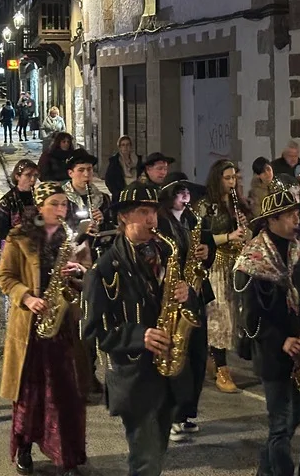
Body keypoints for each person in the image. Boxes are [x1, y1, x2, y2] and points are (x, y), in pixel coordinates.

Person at [83, 181, 193, 475]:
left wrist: (187, 293)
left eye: (154, 211)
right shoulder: (105, 269)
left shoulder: (164, 252)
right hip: (134, 377)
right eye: (143, 212)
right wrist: (138, 336)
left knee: (157, 453)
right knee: (145, 460)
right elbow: (93, 330)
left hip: (167, 373)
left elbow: (181, 301)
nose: (151, 219)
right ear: (123, 216)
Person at [0, 181, 89, 475]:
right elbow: (4, 277)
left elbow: (87, 273)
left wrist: (80, 272)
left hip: (62, 326)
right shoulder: (19, 236)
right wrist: (26, 297)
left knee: (65, 395)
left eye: (64, 204)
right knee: (30, 393)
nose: (61, 210)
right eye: (54, 204)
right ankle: (24, 447)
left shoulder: (71, 238)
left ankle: (66, 455)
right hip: (30, 329)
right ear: (39, 207)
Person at [234, 186, 300, 476]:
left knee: (296, 415)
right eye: (290, 215)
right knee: (280, 424)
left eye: (297, 213)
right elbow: (250, 318)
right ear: (272, 220)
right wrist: (282, 340)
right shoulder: (251, 261)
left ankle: (265, 469)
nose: (297, 219)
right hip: (272, 352)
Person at [157, 172, 215, 441]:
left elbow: (208, 249)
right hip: (174, 296)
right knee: (179, 357)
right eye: (180, 191)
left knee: (198, 354)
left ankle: (188, 412)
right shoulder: (160, 223)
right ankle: (173, 416)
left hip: (196, 293)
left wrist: (207, 252)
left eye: (188, 192)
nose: (186, 196)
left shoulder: (193, 220)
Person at [196, 159, 250, 393]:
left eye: (234, 178)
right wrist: (229, 236)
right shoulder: (206, 205)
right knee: (219, 316)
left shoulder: (236, 203)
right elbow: (202, 237)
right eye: (227, 178)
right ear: (217, 179)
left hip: (234, 264)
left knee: (234, 315)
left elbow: (246, 233)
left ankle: (214, 359)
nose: (232, 182)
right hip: (215, 265)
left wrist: (245, 230)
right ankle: (221, 369)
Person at [0, 160, 38, 320]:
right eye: (28, 175)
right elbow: (3, 234)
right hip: (16, 253)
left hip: (37, 251)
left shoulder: (39, 198)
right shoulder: (7, 202)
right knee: (17, 294)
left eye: (35, 176)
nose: (32, 180)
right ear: (17, 176)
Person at [104, 134, 138, 199]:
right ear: (119, 147)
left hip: (136, 194)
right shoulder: (115, 162)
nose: (125, 147)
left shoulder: (137, 160)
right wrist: (117, 192)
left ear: (131, 146)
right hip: (120, 195)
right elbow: (108, 180)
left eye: (127, 145)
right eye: (123, 145)